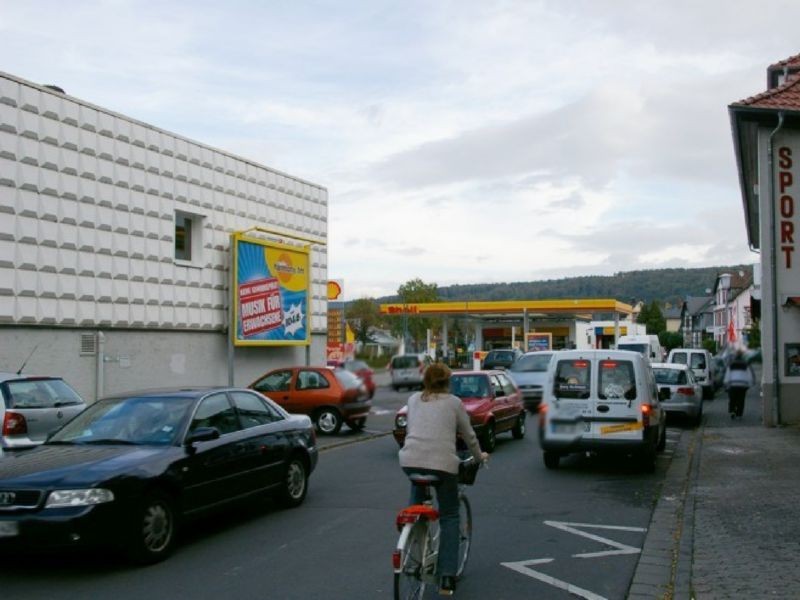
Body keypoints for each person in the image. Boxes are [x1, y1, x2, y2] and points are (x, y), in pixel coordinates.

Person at [398, 362, 487, 596]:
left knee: (415, 508)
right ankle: (447, 576)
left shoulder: (413, 400)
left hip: (410, 462)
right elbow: (469, 436)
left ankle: (413, 544)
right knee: (449, 515)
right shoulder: (454, 403)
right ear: (448, 382)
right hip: (443, 467)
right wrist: (480, 456)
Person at [723, 350, 755, 418]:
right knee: (741, 399)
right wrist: (750, 384)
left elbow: (728, 374)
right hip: (743, 385)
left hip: (733, 384)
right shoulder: (746, 363)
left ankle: (732, 411)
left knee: (732, 399)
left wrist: (726, 384)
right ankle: (739, 413)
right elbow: (749, 375)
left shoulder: (731, 364)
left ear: (735, 356)